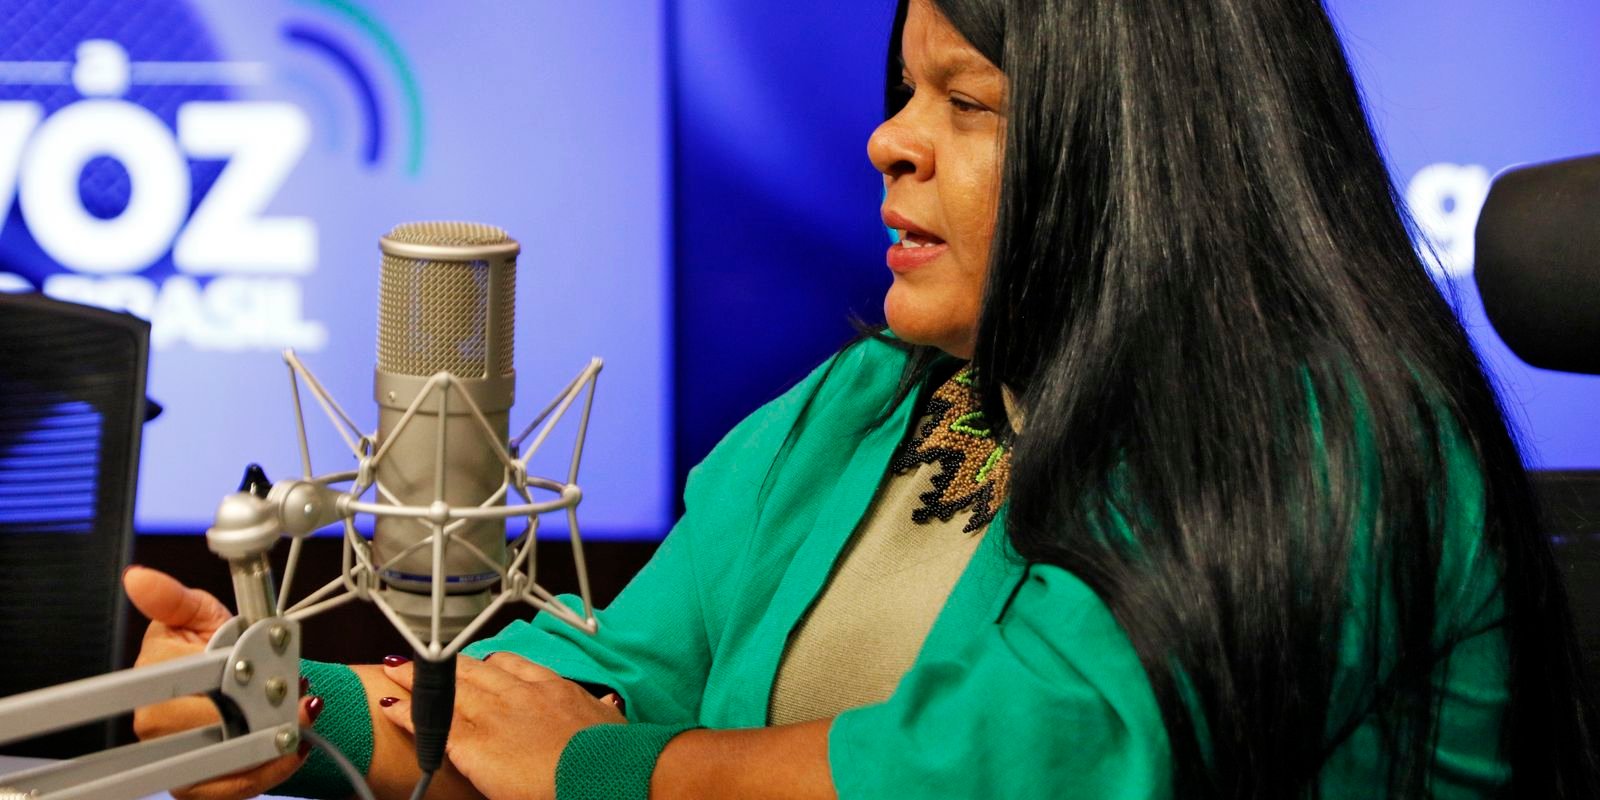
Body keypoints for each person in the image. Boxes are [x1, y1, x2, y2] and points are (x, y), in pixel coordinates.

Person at [126, 0, 1600, 797]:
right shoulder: (869, 406)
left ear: (1145, 148)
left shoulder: (1322, 430)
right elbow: (581, 688)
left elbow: (1015, 772)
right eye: (904, 92)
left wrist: (605, 772)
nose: (892, 140)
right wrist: (280, 705)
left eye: (968, 101)